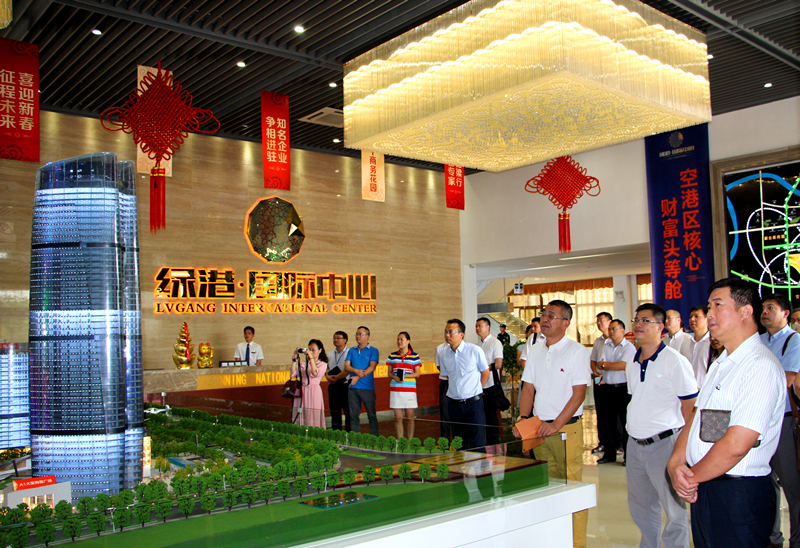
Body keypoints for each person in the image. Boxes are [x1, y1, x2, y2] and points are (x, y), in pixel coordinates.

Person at [668, 277, 785, 548]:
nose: (709, 314)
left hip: (738, 492)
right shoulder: (722, 363)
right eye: (709, 307)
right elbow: (697, 419)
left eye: (718, 305)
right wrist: (676, 463)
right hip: (707, 485)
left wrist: (690, 478)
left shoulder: (759, 367)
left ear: (745, 311)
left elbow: (736, 444)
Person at [514, 300, 591, 548]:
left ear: (566, 323)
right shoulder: (535, 349)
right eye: (543, 314)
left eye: (552, 315)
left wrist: (556, 425)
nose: (545, 319)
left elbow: (579, 394)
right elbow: (528, 388)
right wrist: (523, 419)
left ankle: (577, 544)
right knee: (548, 488)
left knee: (572, 488)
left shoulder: (576, 351)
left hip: (566, 430)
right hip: (539, 429)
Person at [626, 304, 697, 548]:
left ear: (661, 327)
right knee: (641, 506)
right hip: (635, 444)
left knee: (674, 508)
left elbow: (690, 408)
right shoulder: (632, 362)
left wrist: (683, 451)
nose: (638, 324)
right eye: (636, 319)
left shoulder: (674, 361)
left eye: (646, 320)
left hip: (665, 444)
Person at [759, 293, 800, 548]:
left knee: (792, 488)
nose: (764, 312)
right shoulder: (757, 341)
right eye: (763, 308)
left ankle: (797, 541)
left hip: (783, 421)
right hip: (758, 422)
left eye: (771, 308)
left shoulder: (794, 341)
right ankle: (773, 539)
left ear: (785, 314)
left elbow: (787, 379)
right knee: (765, 483)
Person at [437, 318, 489, 450]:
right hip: (454, 405)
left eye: (451, 332)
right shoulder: (443, 354)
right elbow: (447, 375)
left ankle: (481, 464)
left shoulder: (474, 350)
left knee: (478, 443)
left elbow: (485, 373)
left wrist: (476, 389)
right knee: (459, 444)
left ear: (461, 334)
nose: (447, 335)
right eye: (445, 332)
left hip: (473, 404)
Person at [595, 319, 636, 465]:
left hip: (623, 389)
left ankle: (628, 456)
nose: (611, 331)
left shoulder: (629, 347)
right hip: (607, 388)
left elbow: (623, 365)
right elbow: (599, 366)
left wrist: (606, 365)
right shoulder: (605, 346)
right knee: (608, 423)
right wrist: (608, 365)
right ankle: (609, 454)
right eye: (610, 329)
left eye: (614, 329)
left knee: (625, 423)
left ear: (622, 330)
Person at [344, 326, 380, 436]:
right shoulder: (352, 350)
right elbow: (346, 366)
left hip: (367, 388)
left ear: (367, 336)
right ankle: (356, 439)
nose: (358, 336)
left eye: (360, 334)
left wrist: (357, 377)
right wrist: (356, 371)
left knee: (371, 415)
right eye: (357, 334)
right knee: (353, 415)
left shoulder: (373, 350)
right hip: (352, 388)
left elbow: (372, 367)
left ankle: (374, 438)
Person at [387, 332, 421, 440]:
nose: (399, 342)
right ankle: (401, 440)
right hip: (396, 390)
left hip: (409, 390)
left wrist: (404, 376)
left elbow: (417, 373)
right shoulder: (392, 355)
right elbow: (389, 373)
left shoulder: (414, 356)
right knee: (398, 418)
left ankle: (410, 441)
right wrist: (395, 377)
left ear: (408, 341)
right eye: (398, 339)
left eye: (402, 339)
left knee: (410, 417)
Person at [477, 317, 504, 446]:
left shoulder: (495, 342)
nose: (478, 328)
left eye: (480, 326)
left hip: (491, 384)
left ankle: (494, 443)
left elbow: (498, 364)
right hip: (479, 385)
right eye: (476, 326)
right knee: (482, 415)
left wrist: (484, 369)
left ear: (488, 327)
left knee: (491, 414)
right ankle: (485, 441)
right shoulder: (477, 346)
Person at [290, 340, 328, 429]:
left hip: (314, 391)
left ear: (320, 350)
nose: (311, 352)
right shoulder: (304, 364)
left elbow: (315, 373)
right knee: (300, 412)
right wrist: (295, 359)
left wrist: (311, 358)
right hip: (302, 390)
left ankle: (312, 431)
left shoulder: (322, 364)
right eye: (309, 349)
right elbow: (293, 374)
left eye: (313, 350)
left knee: (312, 413)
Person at [590, 312, 613, 456]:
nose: (599, 323)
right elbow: (593, 359)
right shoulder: (598, 341)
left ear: (610, 322)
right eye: (597, 321)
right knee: (601, 413)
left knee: (614, 414)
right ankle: (603, 442)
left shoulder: (616, 341)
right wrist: (595, 372)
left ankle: (617, 443)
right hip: (598, 380)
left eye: (601, 320)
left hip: (612, 382)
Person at [326, 331, 351, 431]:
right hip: (333, 386)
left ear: (345, 340)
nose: (335, 340)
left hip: (346, 386)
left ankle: (349, 434)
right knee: (335, 412)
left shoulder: (350, 353)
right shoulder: (330, 354)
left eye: (338, 338)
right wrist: (328, 377)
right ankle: (336, 433)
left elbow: (348, 370)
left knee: (348, 412)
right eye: (334, 338)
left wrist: (337, 377)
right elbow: (327, 368)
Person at [688, 305, 710, 390]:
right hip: (687, 391)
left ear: (707, 320)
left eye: (697, 316)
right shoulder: (685, 342)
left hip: (704, 390)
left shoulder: (713, 343)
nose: (692, 319)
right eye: (691, 316)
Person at [435, 338, 451, 439]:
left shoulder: (466, 348)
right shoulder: (440, 348)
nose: (448, 335)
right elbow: (438, 366)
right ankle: (445, 439)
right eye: (446, 332)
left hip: (459, 383)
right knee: (445, 412)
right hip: (445, 382)